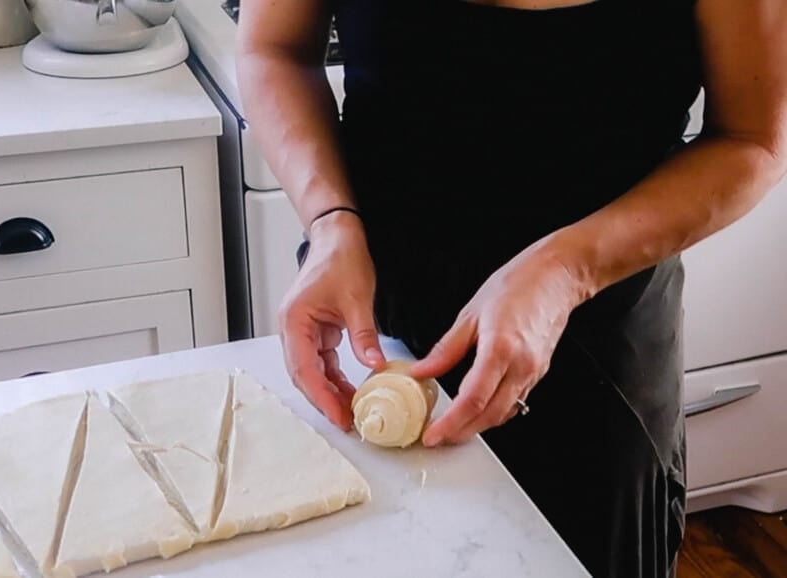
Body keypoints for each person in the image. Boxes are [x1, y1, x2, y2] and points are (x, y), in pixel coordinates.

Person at [234, 1, 787, 576]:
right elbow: (274, 49)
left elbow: (753, 141)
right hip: (371, 319)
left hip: (594, 345)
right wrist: (330, 220)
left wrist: (566, 269)